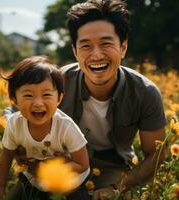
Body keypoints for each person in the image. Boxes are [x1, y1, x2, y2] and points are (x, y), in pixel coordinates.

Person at [60, 0, 166, 199]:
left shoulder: (146, 92)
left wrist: (119, 186)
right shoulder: (58, 83)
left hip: (115, 165)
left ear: (123, 47)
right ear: (75, 51)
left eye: (106, 43)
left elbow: (156, 154)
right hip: (65, 162)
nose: (97, 55)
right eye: (85, 46)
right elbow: (17, 114)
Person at [0, 56, 90, 200]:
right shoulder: (14, 123)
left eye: (46, 94)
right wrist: (0, 185)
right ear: (14, 99)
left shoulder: (66, 126)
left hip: (69, 182)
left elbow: (82, 164)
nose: (38, 103)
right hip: (32, 179)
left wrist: (49, 171)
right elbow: (7, 155)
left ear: (59, 98)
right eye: (28, 95)